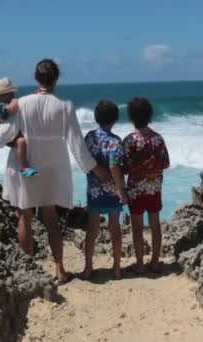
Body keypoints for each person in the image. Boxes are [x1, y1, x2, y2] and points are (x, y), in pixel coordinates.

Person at [0, 59, 110, 284]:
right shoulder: (65, 106)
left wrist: (0, 125)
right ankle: (59, 270)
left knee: (24, 217)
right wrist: (95, 169)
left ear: (36, 78)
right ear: (56, 78)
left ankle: (29, 271)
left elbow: (2, 139)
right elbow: (77, 144)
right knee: (51, 218)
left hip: (25, 167)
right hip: (52, 168)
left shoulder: (21, 104)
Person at [123, 97, 170, 274]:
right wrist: (152, 163)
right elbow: (166, 163)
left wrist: (139, 164)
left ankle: (140, 264)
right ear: (150, 116)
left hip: (135, 190)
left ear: (131, 118)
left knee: (136, 226)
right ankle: (156, 261)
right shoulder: (158, 139)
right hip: (154, 188)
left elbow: (126, 168)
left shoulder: (129, 140)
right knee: (155, 223)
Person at [81, 100, 127, 280]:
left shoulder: (89, 137)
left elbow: (83, 158)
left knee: (92, 230)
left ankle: (88, 268)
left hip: (93, 191)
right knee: (114, 228)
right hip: (112, 193)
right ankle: (116, 267)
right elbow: (115, 167)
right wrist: (121, 190)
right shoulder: (115, 142)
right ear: (115, 119)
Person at [0, 77, 38, 177]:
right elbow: (12, 108)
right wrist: (17, 101)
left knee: (22, 142)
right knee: (21, 142)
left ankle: (25, 165)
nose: (13, 95)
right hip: (9, 136)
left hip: (11, 134)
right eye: (10, 93)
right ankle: (25, 168)